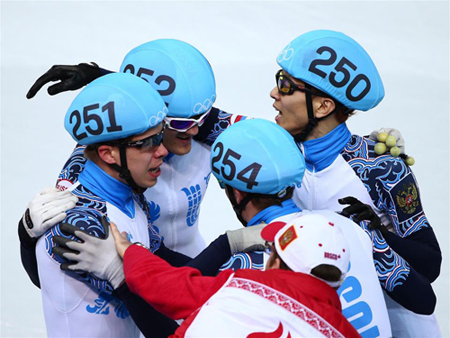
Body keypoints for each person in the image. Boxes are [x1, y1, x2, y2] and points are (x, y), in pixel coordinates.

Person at [52, 119, 391, 336]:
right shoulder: (353, 230)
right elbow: (420, 295)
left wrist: (120, 275)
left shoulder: (249, 270)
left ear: (238, 192)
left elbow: (174, 311)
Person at [271, 29, 441, 336]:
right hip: (330, 321)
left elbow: (430, 265)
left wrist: (376, 236)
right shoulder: (278, 158)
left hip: (401, 324)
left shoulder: (380, 167)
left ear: (323, 106)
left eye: (285, 85)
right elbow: (204, 122)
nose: (274, 93)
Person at [113, 213, 360, 338]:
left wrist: (131, 251)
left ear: (275, 261)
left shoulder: (243, 286)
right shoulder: (348, 333)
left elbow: (165, 287)